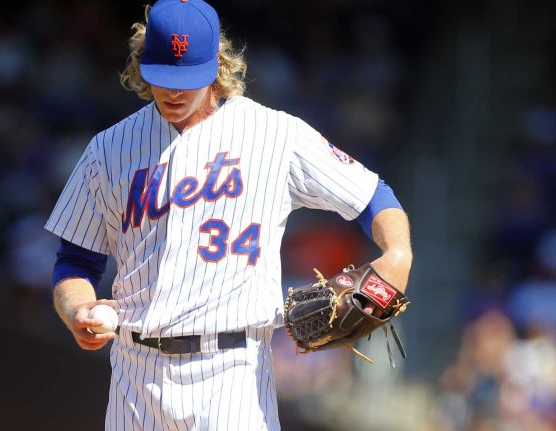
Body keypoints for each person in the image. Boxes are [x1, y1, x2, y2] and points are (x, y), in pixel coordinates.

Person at [45, 0, 413, 429]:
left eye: (188, 78)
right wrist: (78, 310)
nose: (174, 92)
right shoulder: (107, 151)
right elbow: (75, 261)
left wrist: (398, 255)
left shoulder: (275, 134)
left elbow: (373, 196)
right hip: (134, 372)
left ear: (217, 63)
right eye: (164, 76)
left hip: (232, 373)